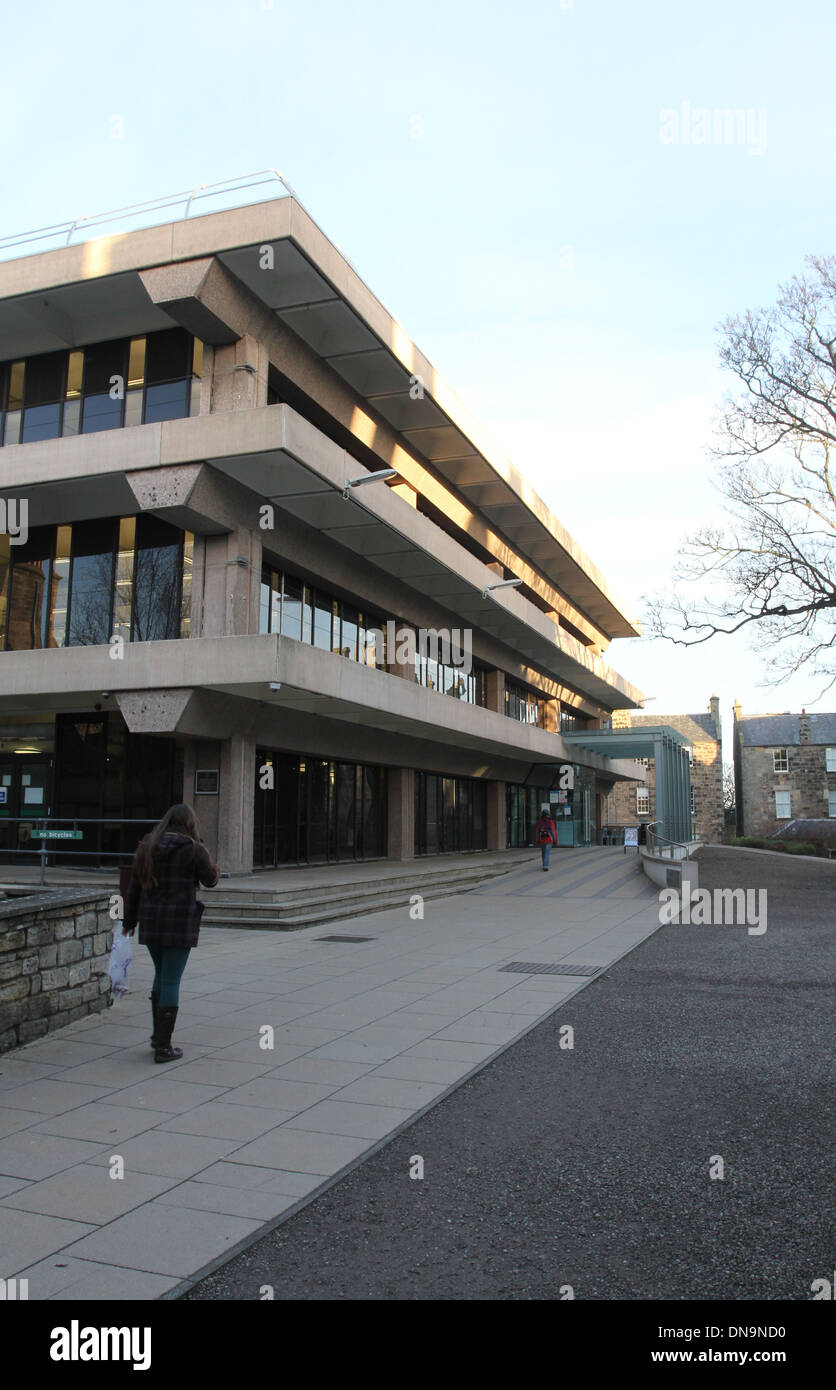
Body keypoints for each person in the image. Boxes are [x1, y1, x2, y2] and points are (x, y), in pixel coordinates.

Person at [122, 804, 219, 1063]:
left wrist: (129, 921)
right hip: (179, 923)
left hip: (152, 922)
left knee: (161, 975)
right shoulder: (193, 850)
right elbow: (211, 879)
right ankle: (164, 1047)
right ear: (189, 824)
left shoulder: (146, 848)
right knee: (171, 981)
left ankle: (158, 1038)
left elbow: (134, 888)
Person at [534, 805, 558, 870]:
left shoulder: (539, 822)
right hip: (549, 839)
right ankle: (545, 866)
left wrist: (537, 840)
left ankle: (544, 864)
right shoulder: (551, 822)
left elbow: (536, 832)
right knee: (547, 853)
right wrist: (555, 840)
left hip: (542, 839)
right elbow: (553, 832)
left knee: (543, 852)